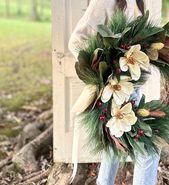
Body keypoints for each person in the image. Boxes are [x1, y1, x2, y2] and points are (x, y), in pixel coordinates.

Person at [68, 0, 163, 184]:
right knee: (149, 149)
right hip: (113, 93)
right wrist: (102, 70)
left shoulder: (141, 2)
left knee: (112, 151)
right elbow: (76, 41)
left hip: (133, 90)